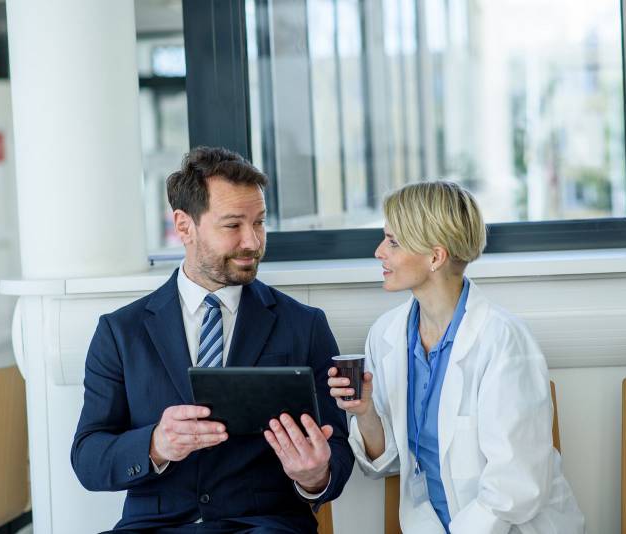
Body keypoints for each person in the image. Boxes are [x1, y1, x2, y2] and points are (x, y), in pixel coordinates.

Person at [72, 146, 353, 533]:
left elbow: (337, 447)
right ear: (184, 226)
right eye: (233, 225)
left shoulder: (303, 325)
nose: (252, 241)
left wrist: (315, 476)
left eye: (259, 223)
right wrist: (155, 444)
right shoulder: (121, 332)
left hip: (263, 525)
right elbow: (88, 458)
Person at [328, 181, 585, 534]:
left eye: (393, 242)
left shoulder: (503, 340)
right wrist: (365, 412)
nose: (378, 252)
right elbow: (386, 463)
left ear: (436, 257)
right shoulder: (387, 335)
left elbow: (515, 487)